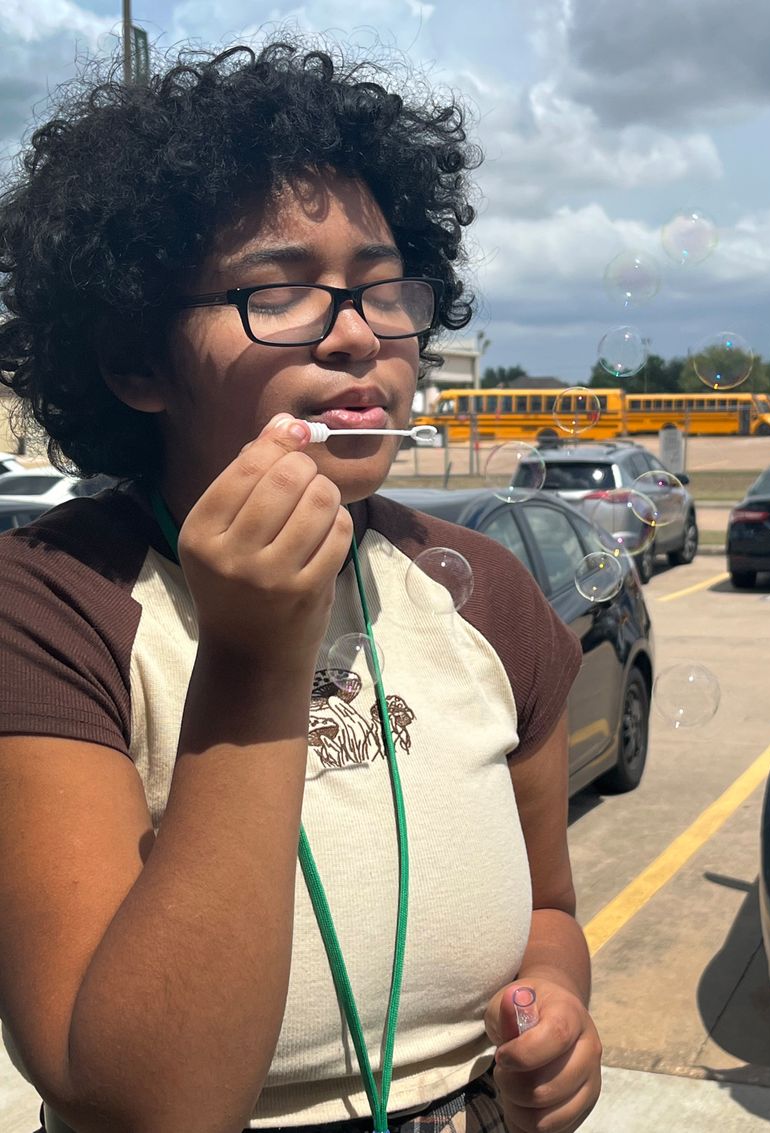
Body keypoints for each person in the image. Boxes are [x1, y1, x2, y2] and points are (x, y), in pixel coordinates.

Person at [0, 36, 602, 1133]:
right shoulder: (46, 606)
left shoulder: (484, 597)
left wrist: (555, 1001)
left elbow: (549, 908)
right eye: (280, 292)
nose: (360, 333)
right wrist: (253, 655)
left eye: (384, 290)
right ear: (136, 361)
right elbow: (145, 1102)